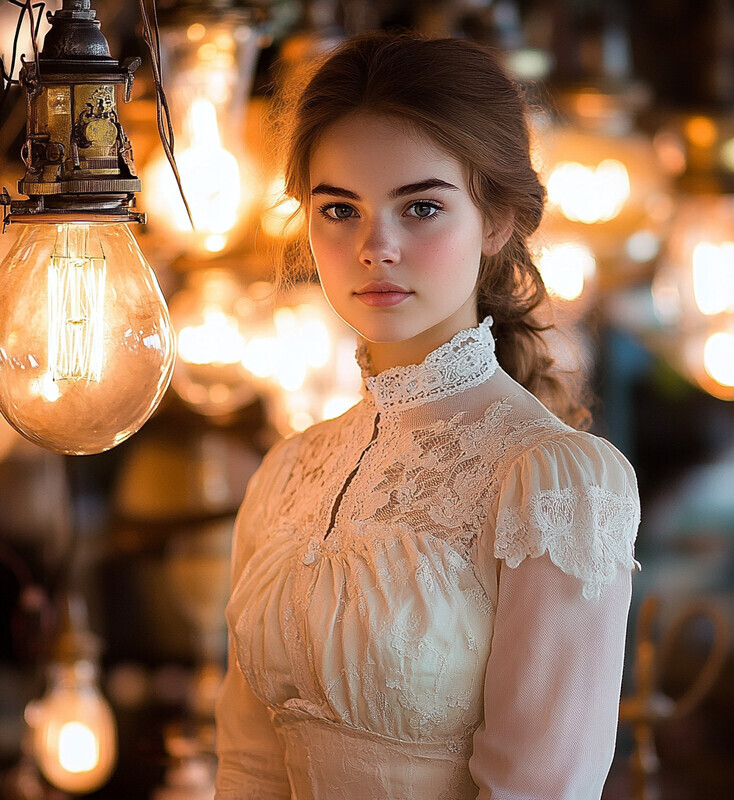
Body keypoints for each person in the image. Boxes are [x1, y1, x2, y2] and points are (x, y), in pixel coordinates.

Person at [215, 31, 641, 800]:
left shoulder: (556, 481)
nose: (377, 246)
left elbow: (538, 790)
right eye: (339, 209)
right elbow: (245, 768)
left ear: (499, 219)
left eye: (421, 207)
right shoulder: (285, 474)